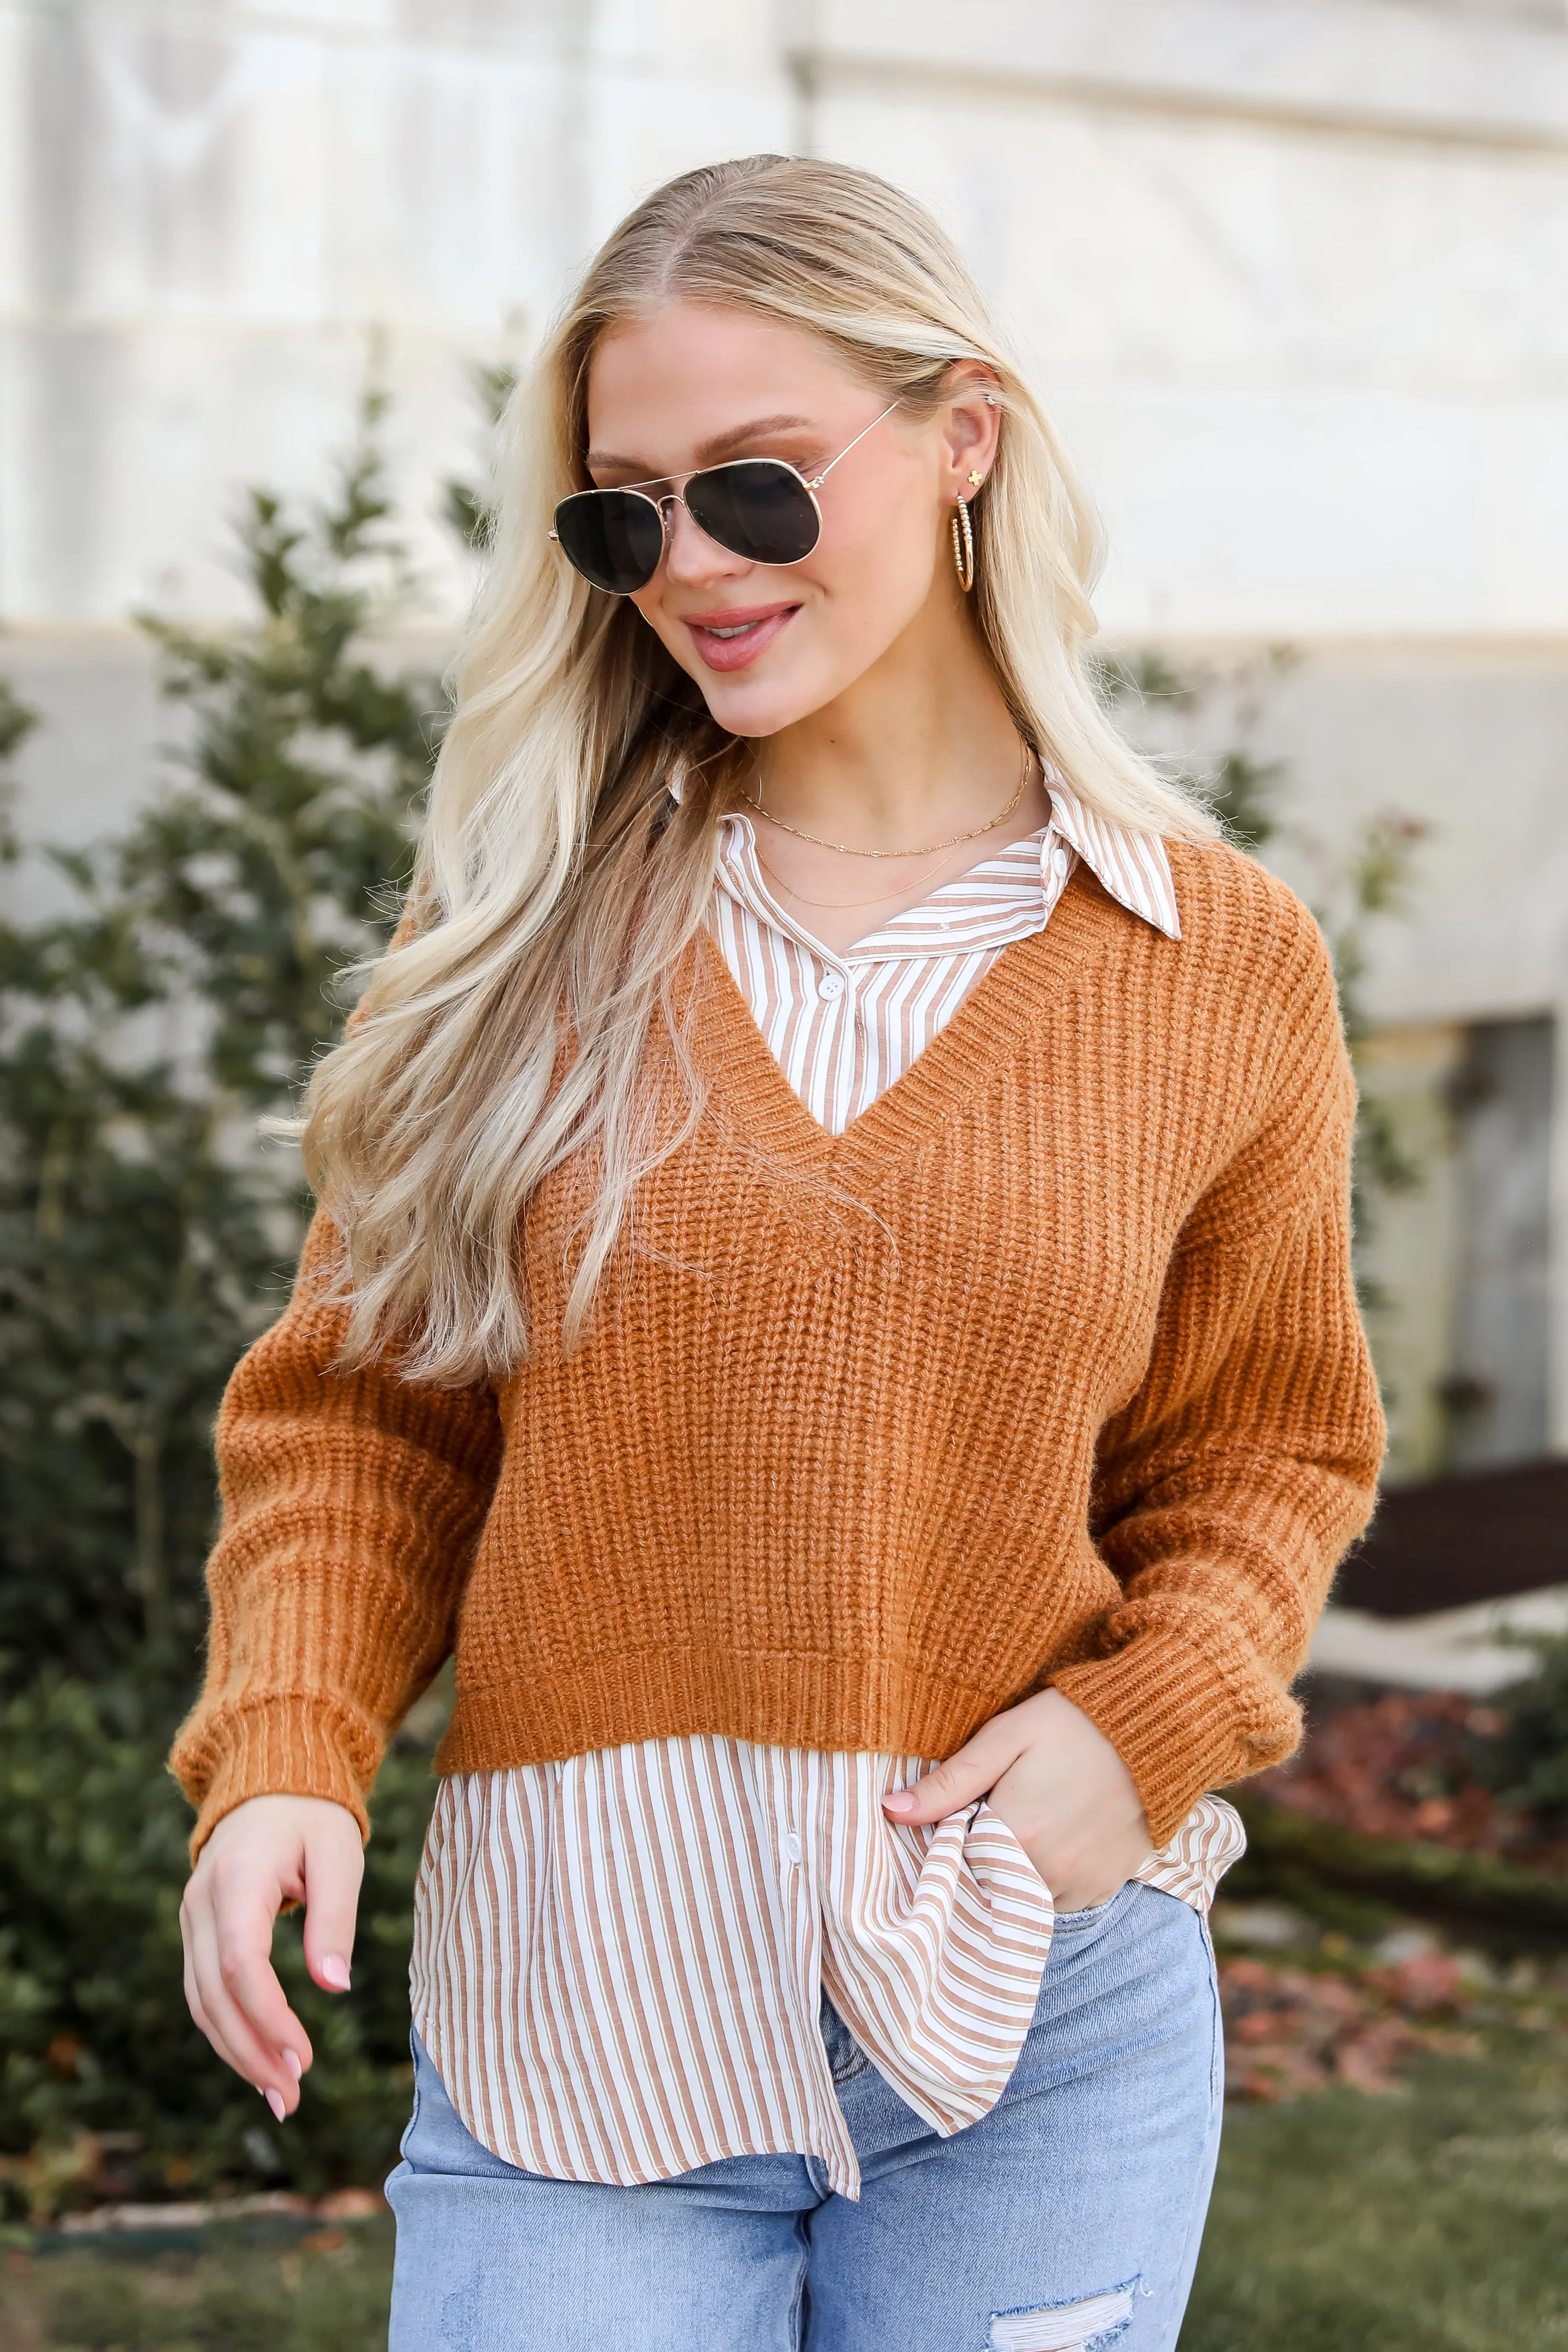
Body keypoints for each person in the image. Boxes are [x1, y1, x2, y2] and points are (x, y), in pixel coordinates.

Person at [171, 155, 1384, 2351]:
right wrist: (283, 1749)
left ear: (965, 438)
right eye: (626, 514)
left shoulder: (1214, 963)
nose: (691, 570)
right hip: (583, 2022)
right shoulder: (517, 949)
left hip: (1034, 2011)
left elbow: (1265, 1455)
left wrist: (1147, 1730)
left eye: (757, 485)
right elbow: (361, 1417)